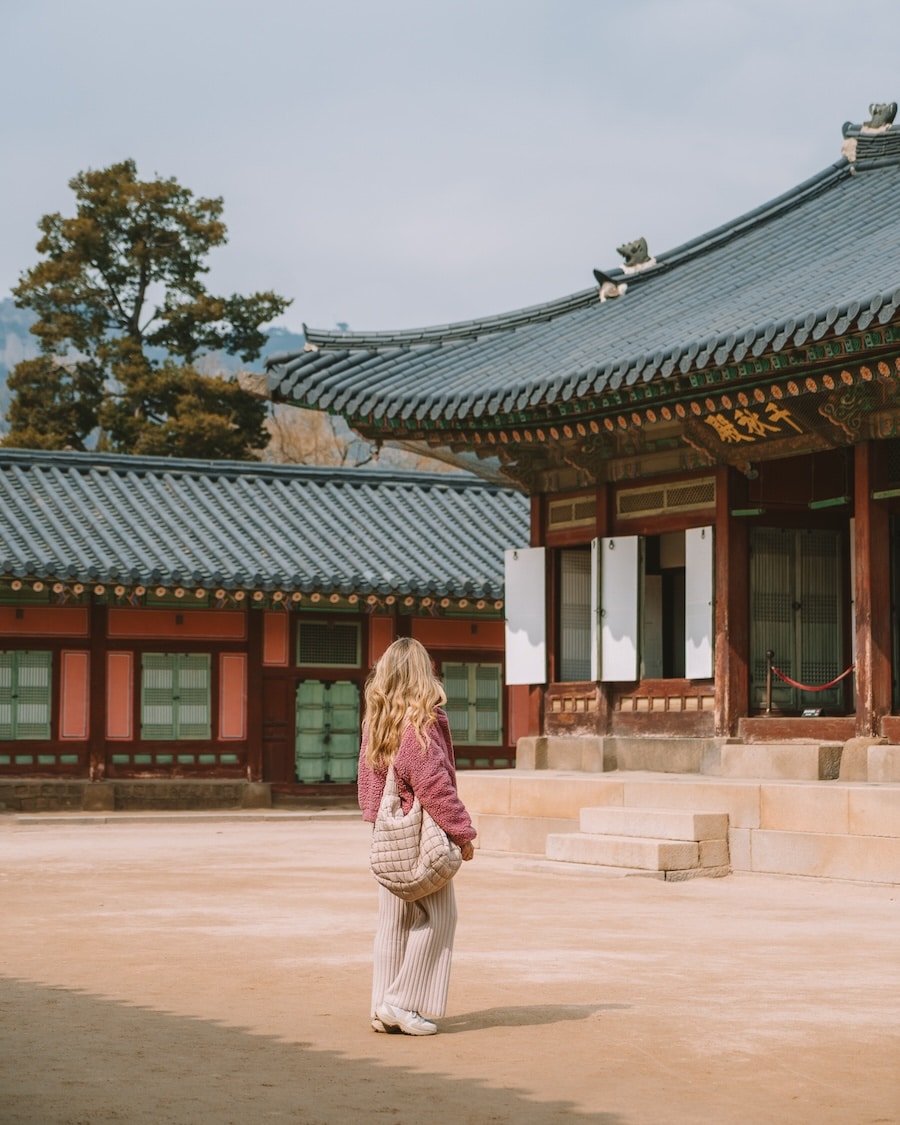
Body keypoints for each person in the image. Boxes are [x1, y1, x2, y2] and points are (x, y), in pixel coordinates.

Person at [357, 637, 477, 1036]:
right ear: (422, 673)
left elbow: (368, 784)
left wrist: (378, 824)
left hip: (388, 835)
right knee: (441, 917)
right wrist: (462, 833)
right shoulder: (420, 723)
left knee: (393, 922)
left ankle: (381, 1007)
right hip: (419, 837)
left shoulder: (378, 719)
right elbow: (434, 786)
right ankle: (402, 1001)